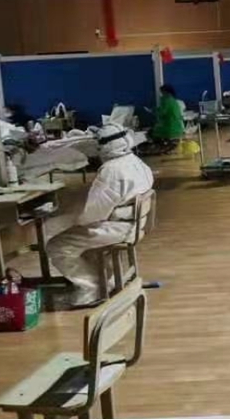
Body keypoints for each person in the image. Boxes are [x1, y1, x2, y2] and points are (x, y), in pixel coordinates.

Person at [47, 124, 154, 307]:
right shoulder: (137, 162)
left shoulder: (111, 170)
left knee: (57, 246)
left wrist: (71, 221)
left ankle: (91, 289)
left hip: (117, 228)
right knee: (80, 240)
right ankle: (107, 281)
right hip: (135, 224)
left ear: (103, 147)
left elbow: (94, 213)